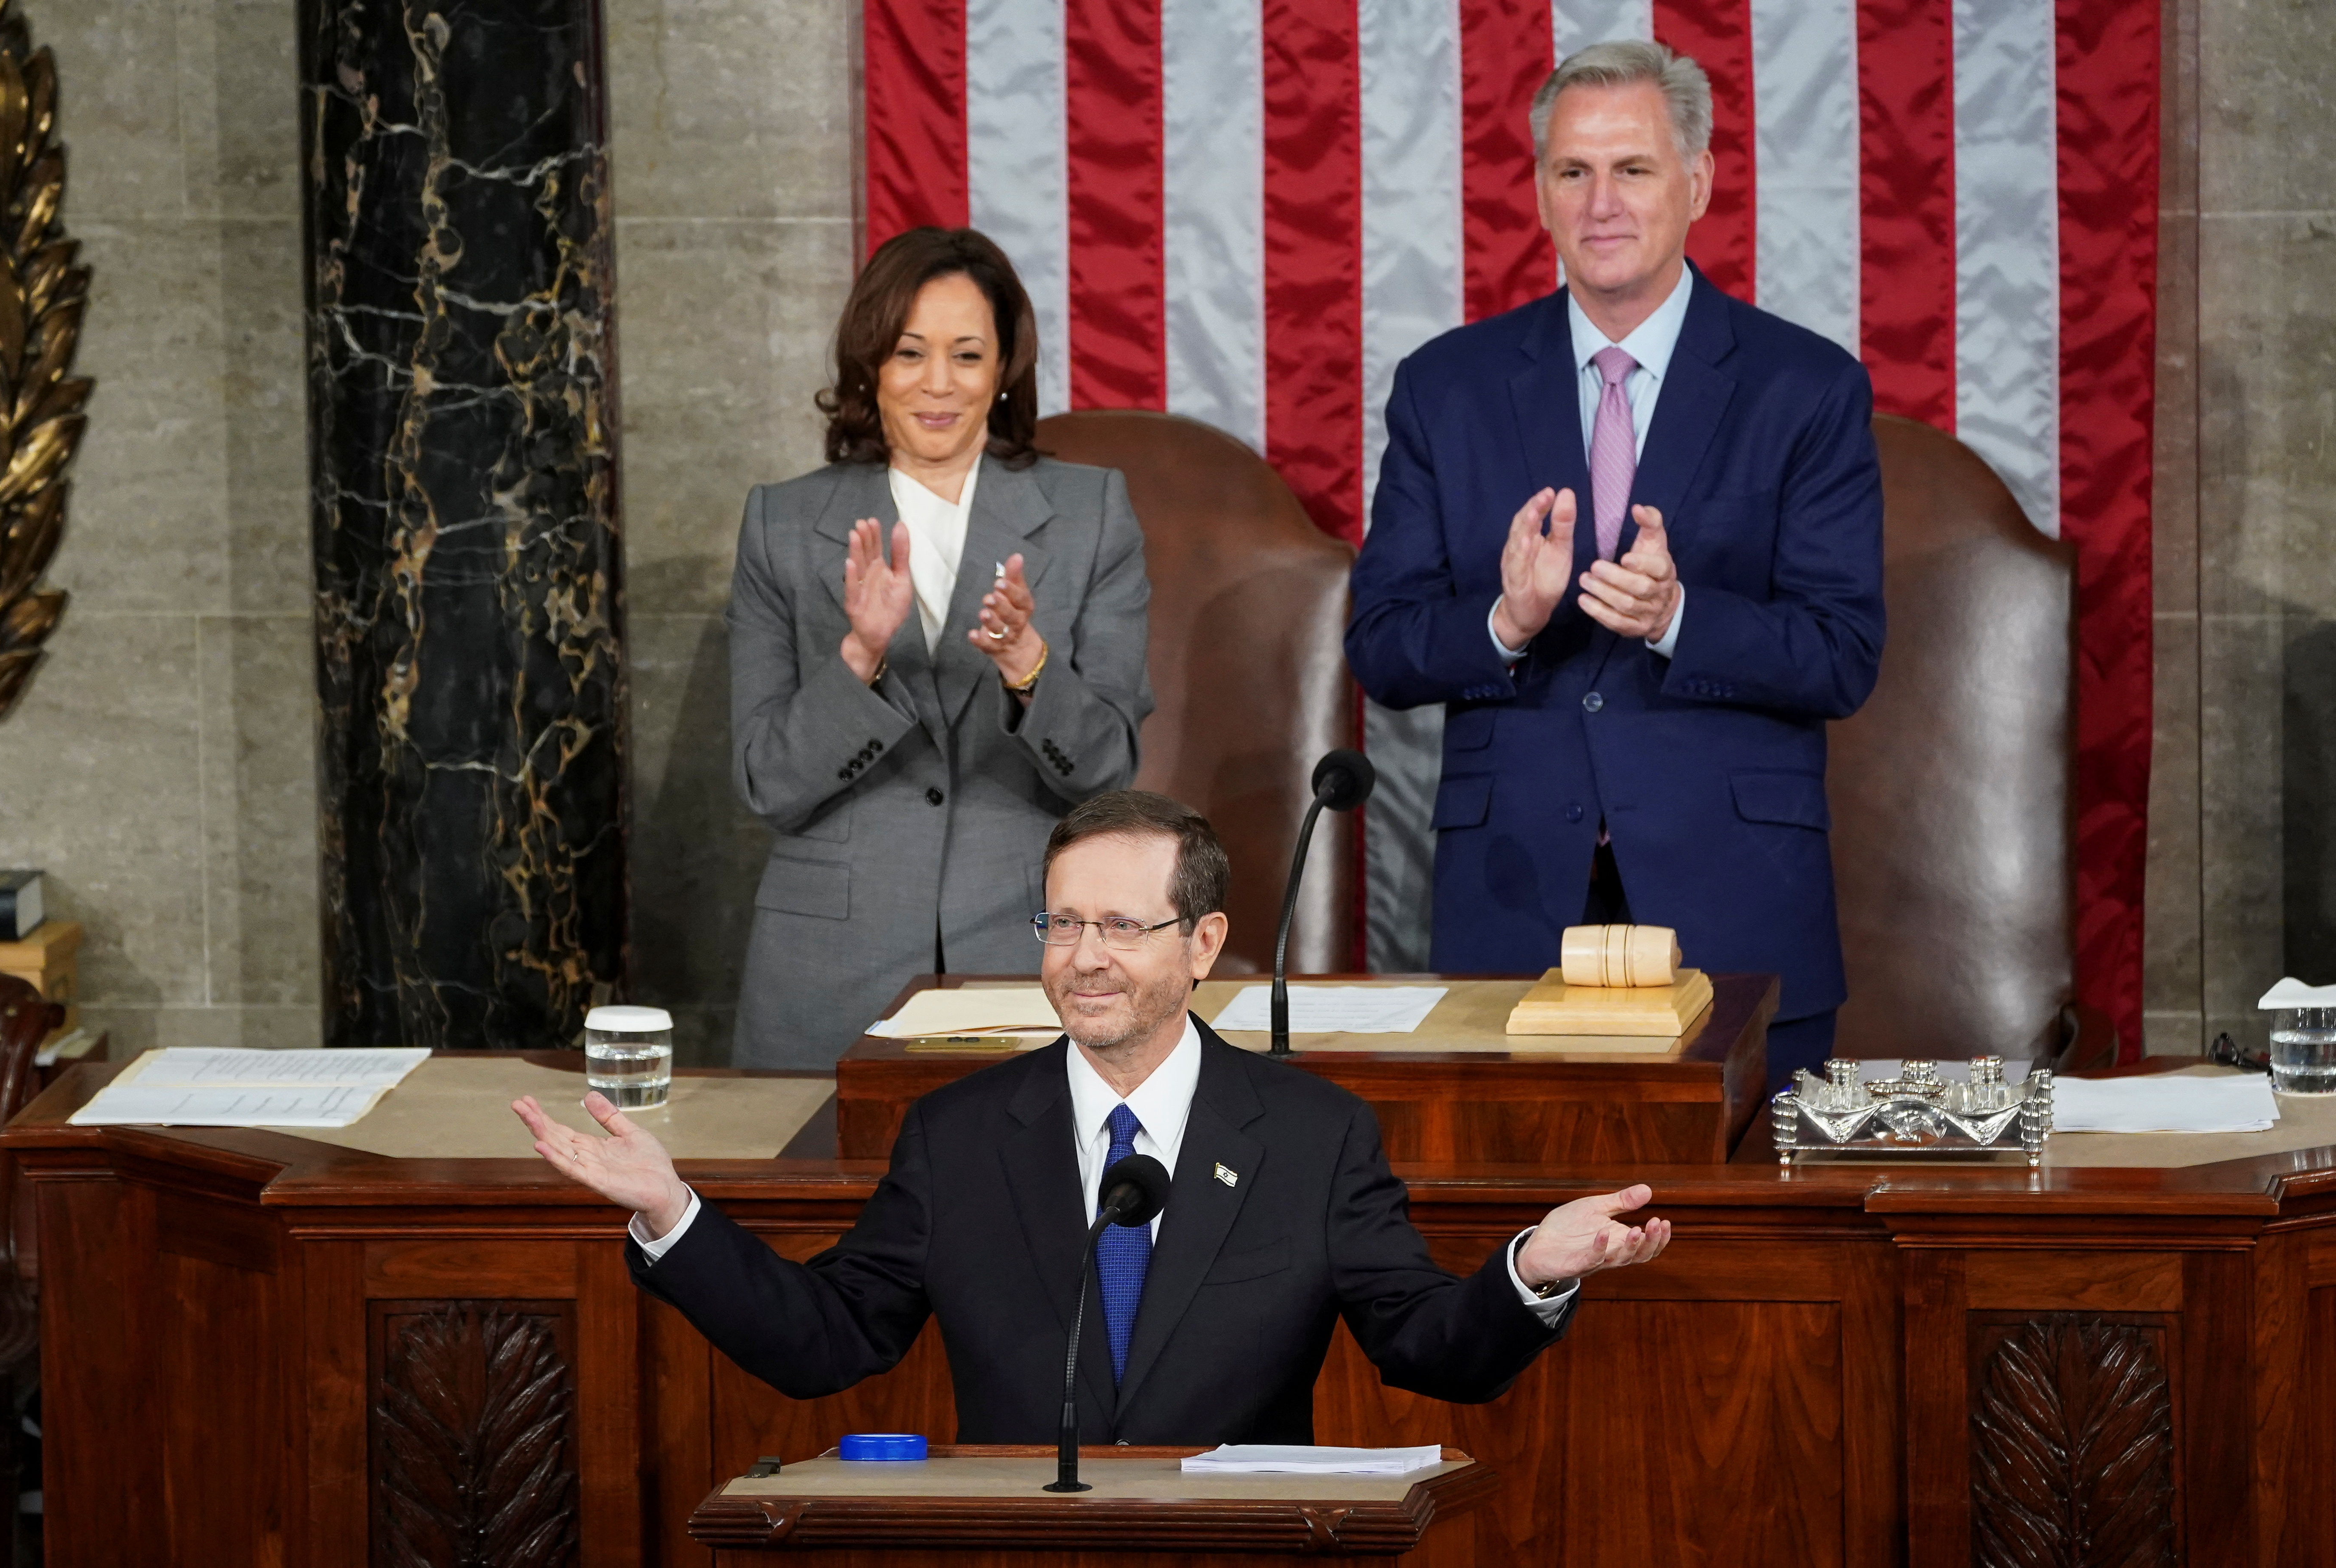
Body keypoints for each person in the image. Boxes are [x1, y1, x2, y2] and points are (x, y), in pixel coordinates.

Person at [512, 791, 1670, 1445]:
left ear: (1203, 944)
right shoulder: (960, 1133)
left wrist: (1530, 1267)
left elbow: (1429, 1347)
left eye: (1120, 926)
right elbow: (828, 1340)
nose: (1082, 959)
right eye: (1061, 925)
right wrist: (673, 1210)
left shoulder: (1311, 1135)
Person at [1344, 41, 1885, 1093]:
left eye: (1632, 170)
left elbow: (1842, 653)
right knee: (1515, 1237)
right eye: (1571, 172)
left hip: (1733, 908)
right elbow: (1381, 643)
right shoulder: (1443, 388)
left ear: (1698, 182)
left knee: (1742, 1248)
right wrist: (1502, 622)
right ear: (1540, 192)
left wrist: (1680, 615)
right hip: (1510, 912)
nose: (1601, 203)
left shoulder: (1805, 388)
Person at [726, 227, 1153, 1068]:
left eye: (966, 355)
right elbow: (765, 783)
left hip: (1022, 957)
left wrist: (1029, 665)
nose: (936, 383)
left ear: (1002, 373)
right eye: (910, 353)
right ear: (869, 365)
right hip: (824, 973)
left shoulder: (1090, 512)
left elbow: (1108, 770)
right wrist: (860, 656)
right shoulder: (779, 525)